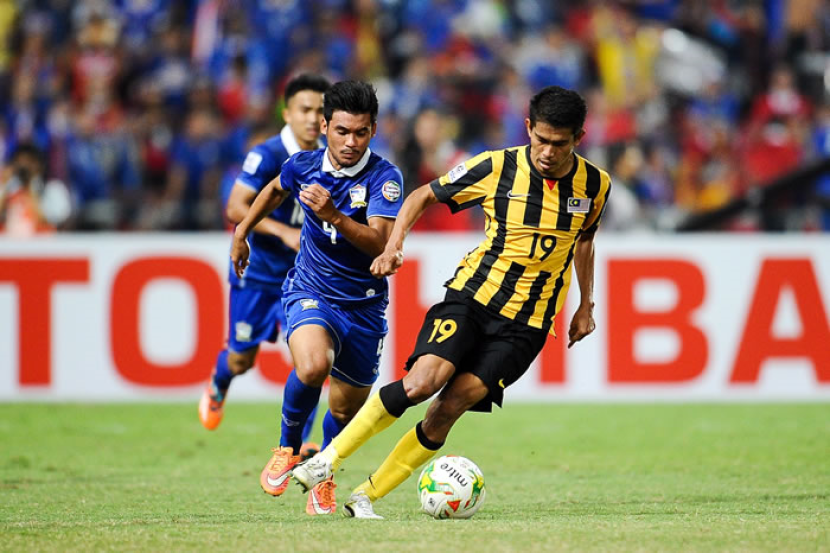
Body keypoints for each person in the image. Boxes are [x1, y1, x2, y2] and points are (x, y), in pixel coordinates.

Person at [292, 85, 612, 519]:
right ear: (528, 128)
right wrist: (393, 246)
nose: (548, 152)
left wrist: (586, 303)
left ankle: (365, 496)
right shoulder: (496, 166)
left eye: (560, 143)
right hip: (473, 298)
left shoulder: (595, 184)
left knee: (448, 408)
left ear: (579, 138)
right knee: (422, 383)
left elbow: (585, 240)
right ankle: (327, 460)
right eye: (541, 140)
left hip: (528, 324)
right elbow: (422, 195)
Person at [229, 80, 404, 516]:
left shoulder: (385, 178)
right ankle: (287, 448)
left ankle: (321, 474)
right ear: (325, 127)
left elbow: (379, 243)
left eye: (360, 133)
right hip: (311, 289)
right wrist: (243, 230)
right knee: (311, 366)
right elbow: (274, 189)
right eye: (342, 131)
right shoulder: (303, 165)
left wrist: (333, 216)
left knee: (345, 409)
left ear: (373, 130)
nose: (350, 142)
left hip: (364, 306)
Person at [199, 74, 331, 441]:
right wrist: (283, 231)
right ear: (287, 113)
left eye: (320, 111)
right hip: (257, 271)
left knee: (310, 361)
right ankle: (220, 379)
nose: (313, 119)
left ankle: (299, 447)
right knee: (242, 359)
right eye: (305, 109)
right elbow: (235, 207)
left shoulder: (332, 157)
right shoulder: (267, 155)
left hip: (304, 278)